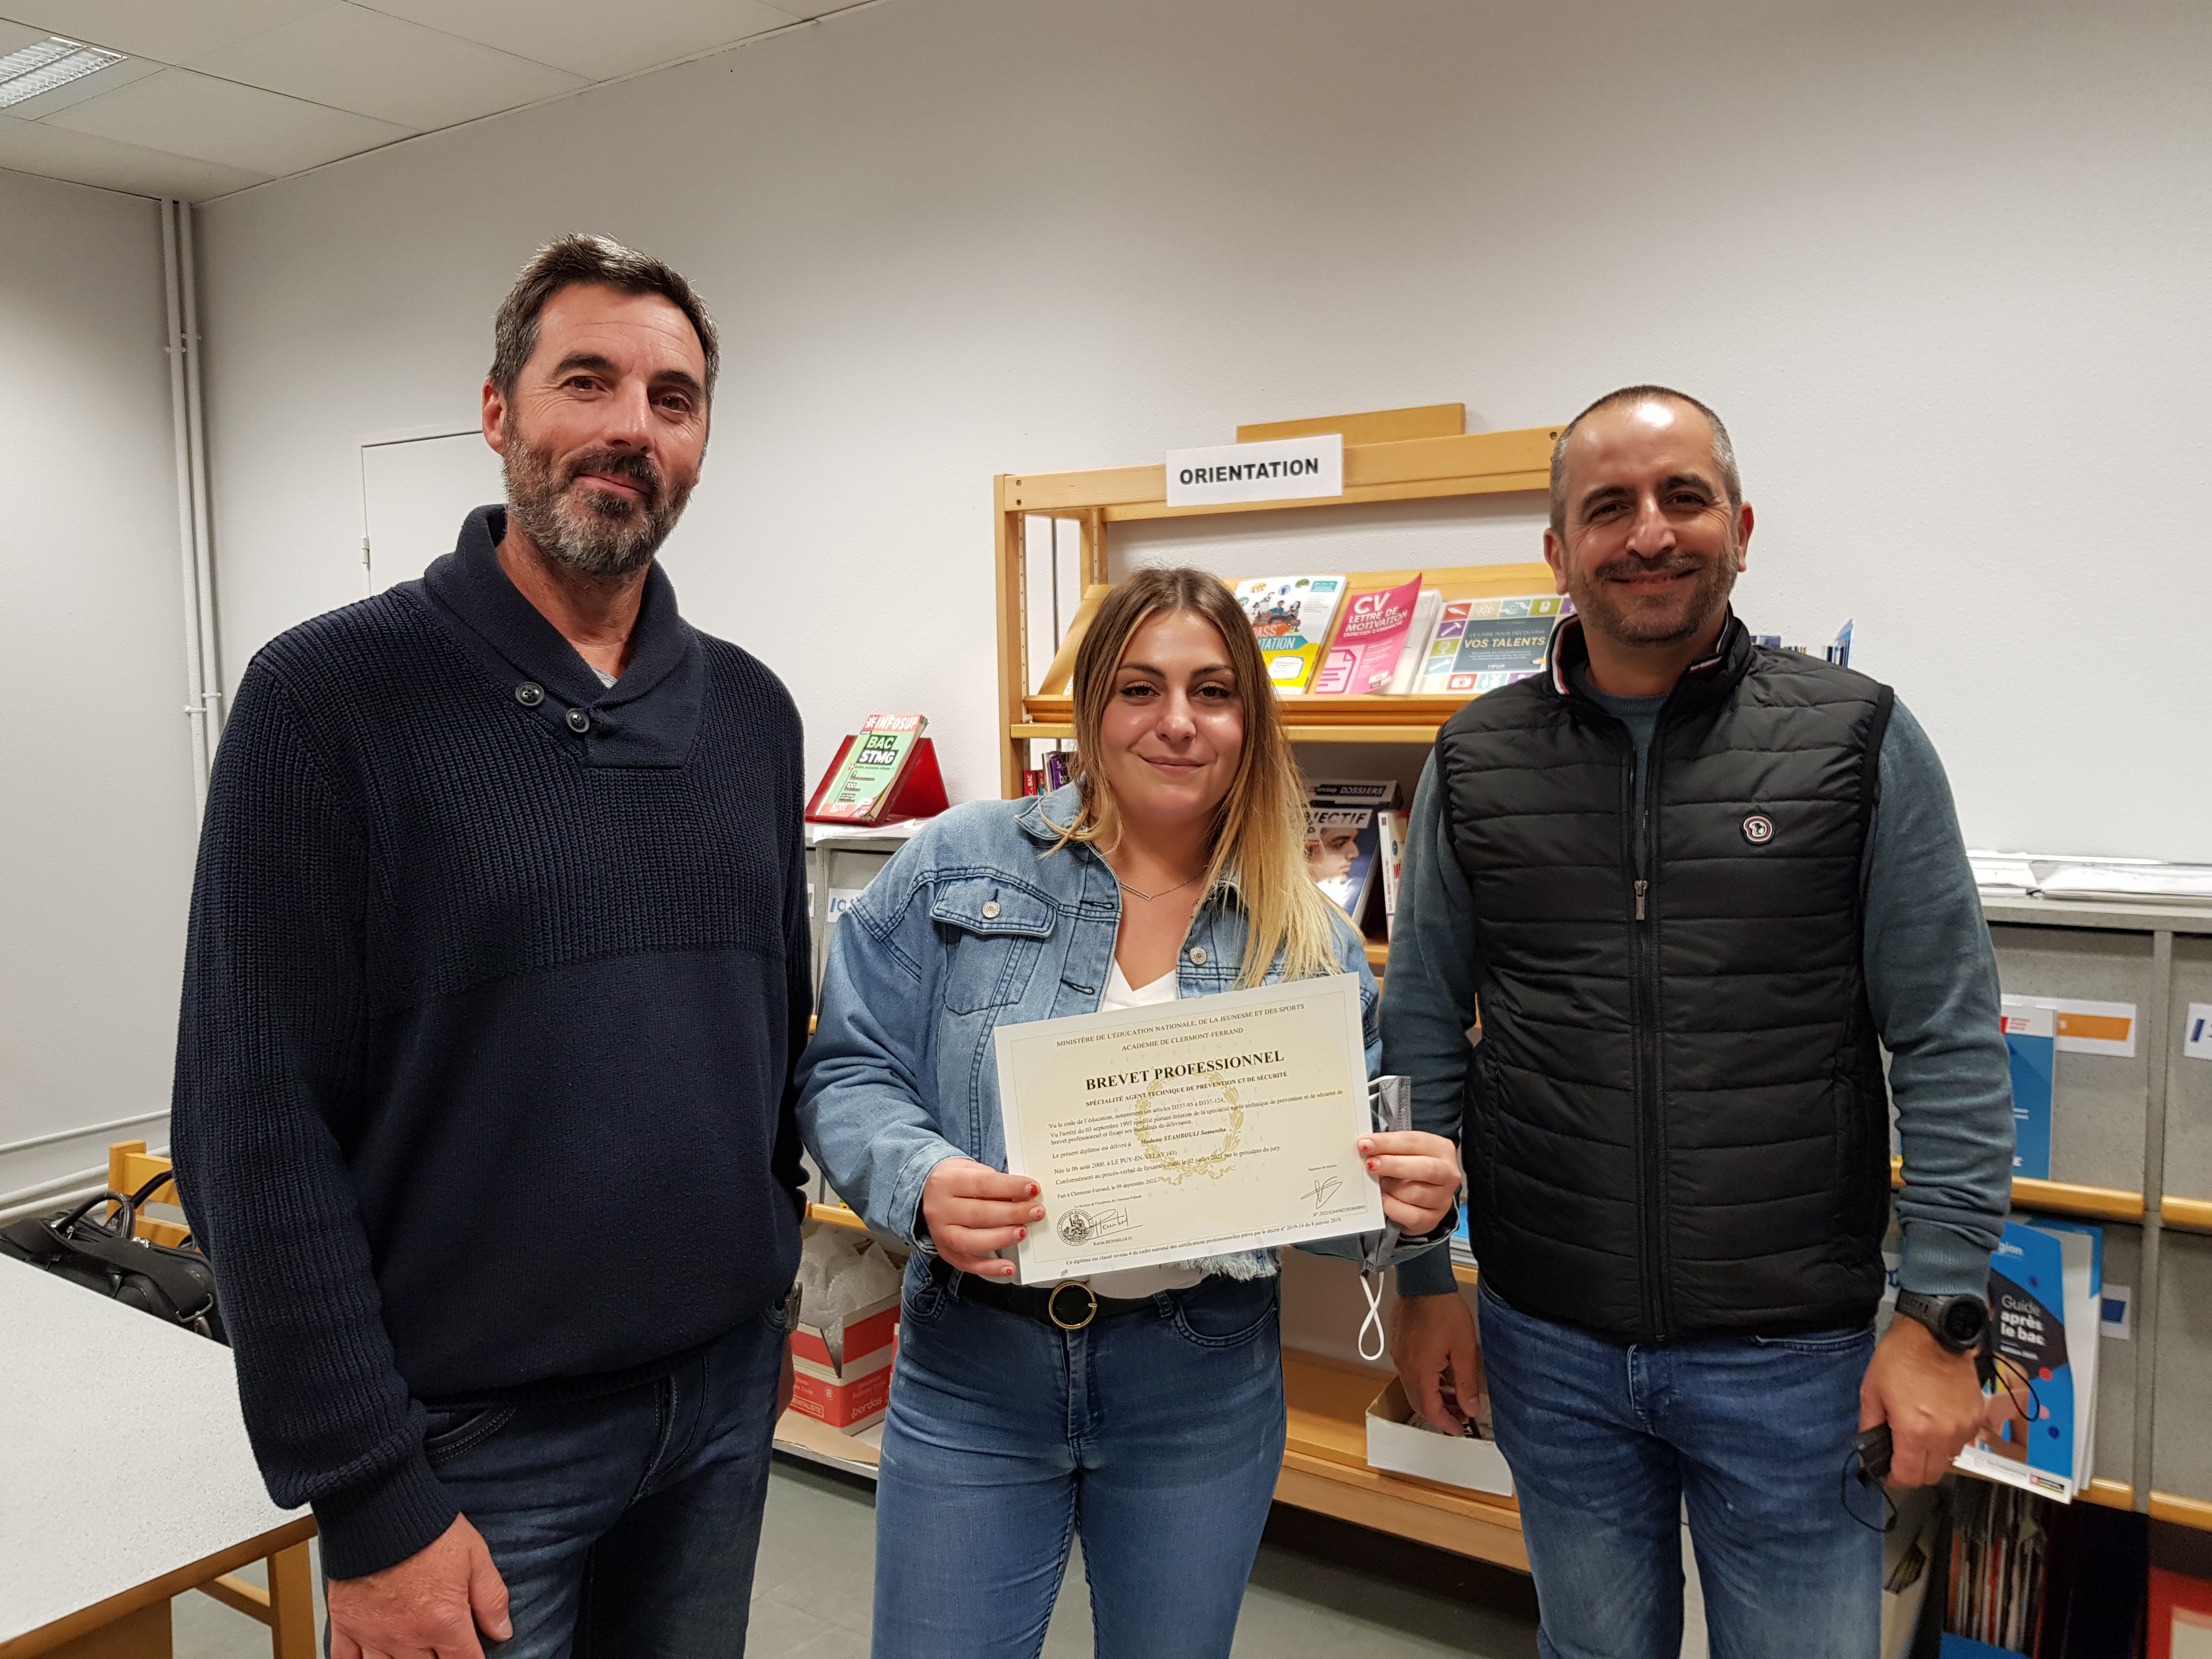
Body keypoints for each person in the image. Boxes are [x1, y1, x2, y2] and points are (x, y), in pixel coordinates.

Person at [171, 235, 811, 1659]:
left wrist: (762, 1312)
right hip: (466, 1447)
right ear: (497, 411)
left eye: (673, 399)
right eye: (587, 381)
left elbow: (775, 1053)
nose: (631, 427)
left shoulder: (752, 719)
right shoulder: (327, 701)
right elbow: (248, 1125)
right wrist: (367, 1491)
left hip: (717, 1409)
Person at [1383, 386, 2015, 1657]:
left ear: (1742, 526)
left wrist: (1942, 1313)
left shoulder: (1860, 740)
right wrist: (1420, 1279)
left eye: (1684, 497)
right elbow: (1422, 1027)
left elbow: (1948, 1036)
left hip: (1794, 1361)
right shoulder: (1476, 758)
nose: (1650, 533)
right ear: (1558, 550)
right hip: (1548, 1341)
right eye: (1608, 506)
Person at [797, 566, 1465, 1659]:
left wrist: (1408, 1206)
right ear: (1093, 708)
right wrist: (920, 1178)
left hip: (1199, 1380)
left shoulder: (1309, 938)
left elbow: (1340, 1201)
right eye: (1141, 689)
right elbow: (848, 1070)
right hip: (975, 1368)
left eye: (1214, 691)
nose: (1179, 722)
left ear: (1250, 718)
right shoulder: (957, 863)